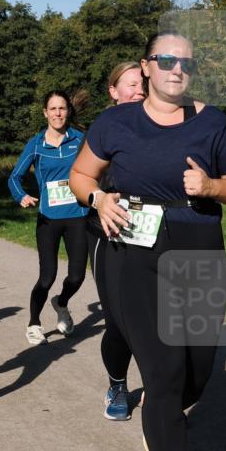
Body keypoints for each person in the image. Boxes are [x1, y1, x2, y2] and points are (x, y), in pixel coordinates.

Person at [70, 32, 226, 451]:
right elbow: (81, 176)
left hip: (198, 251)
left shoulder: (213, 123)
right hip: (132, 252)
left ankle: (161, 413)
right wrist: (99, 200)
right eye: (167, 60)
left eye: (186, 63)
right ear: (147, 66)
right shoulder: (115, 123)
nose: (177, 69)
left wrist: (213, 185)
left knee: (196, 372)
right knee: (165, 372)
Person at [87, 62, 144, 421]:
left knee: (157, 318)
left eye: (143, 84)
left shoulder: (165, 125)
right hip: (108, 234)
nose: (139, 90)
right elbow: (81, 177)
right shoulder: (105, 128)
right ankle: (117, 386)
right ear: (113, 91)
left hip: (152, 236)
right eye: (131, 84)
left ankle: (160, 386)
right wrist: (100, 197)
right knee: (119, 321)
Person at [8, 90, 88, 346]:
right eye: (52, 109)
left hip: (78, 216)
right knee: (47, 277)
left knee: (77, 276)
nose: (57, 113)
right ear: (45, 113)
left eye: (62, 108)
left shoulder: (80, 140)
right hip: (49, 219)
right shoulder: (36, 144)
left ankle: (61, 303)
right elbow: (14, 177)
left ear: (68, 111)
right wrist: (21, 196)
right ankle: (34, 323)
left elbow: (97, 169)